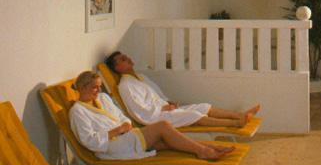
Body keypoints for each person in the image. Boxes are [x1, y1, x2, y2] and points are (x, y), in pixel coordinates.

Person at [69, 71, 234, 161]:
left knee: (170, 141)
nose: (99, 90)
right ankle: (205, 150)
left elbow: (121, 116)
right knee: (163, 126)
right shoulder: (78, 111)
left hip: (127, 135)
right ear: (82, 88)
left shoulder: (103, 98)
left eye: (99, 86)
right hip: (113, 146)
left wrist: (126, 124)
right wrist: (117, 131)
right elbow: (89, 140)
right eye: (94, 87)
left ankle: (208, 148)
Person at [105, 51, 260, 128]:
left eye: (126, 57)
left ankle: (239, 115)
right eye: (123, 60)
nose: (128, 59)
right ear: (117, 68)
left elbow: (157, 94)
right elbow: (138, 111)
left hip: (165, 110)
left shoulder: (140, 77)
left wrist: (168, 102)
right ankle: (236, 123)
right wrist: (163, 108)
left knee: (203, 106)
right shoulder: (125, 86)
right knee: (193, 114)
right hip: (155, 118)